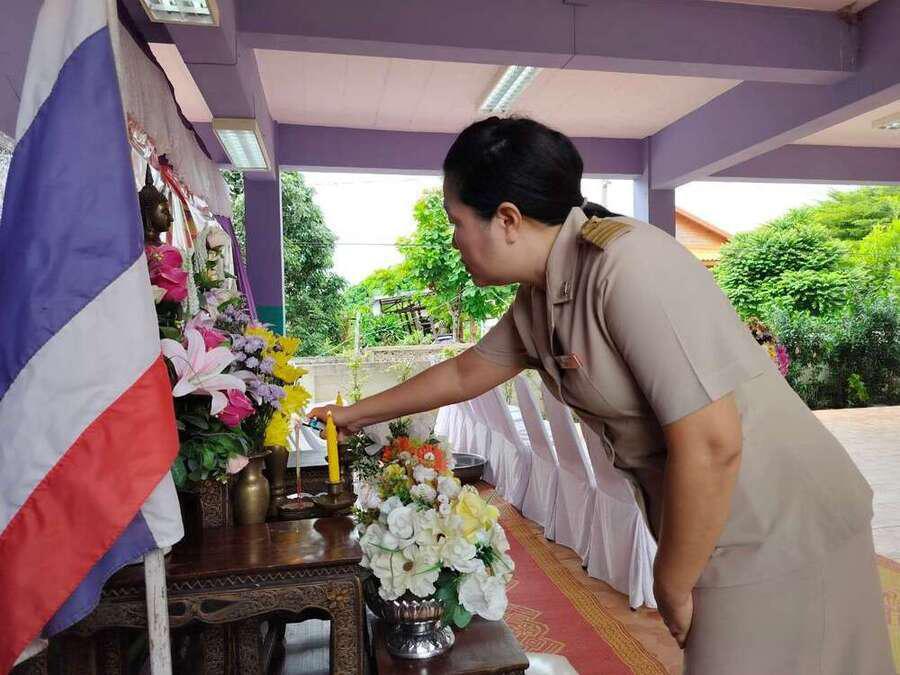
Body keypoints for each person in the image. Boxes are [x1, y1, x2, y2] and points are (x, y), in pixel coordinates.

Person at [310, 117, 893, 674]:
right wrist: (353, 414)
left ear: (507, 218)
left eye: (456, 221)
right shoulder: (543, 294)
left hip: (776, 522)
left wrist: (671, 581)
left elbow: (713, 442)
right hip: (716, 521)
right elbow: (468, 372)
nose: (455, 240)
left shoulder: (627, 265)